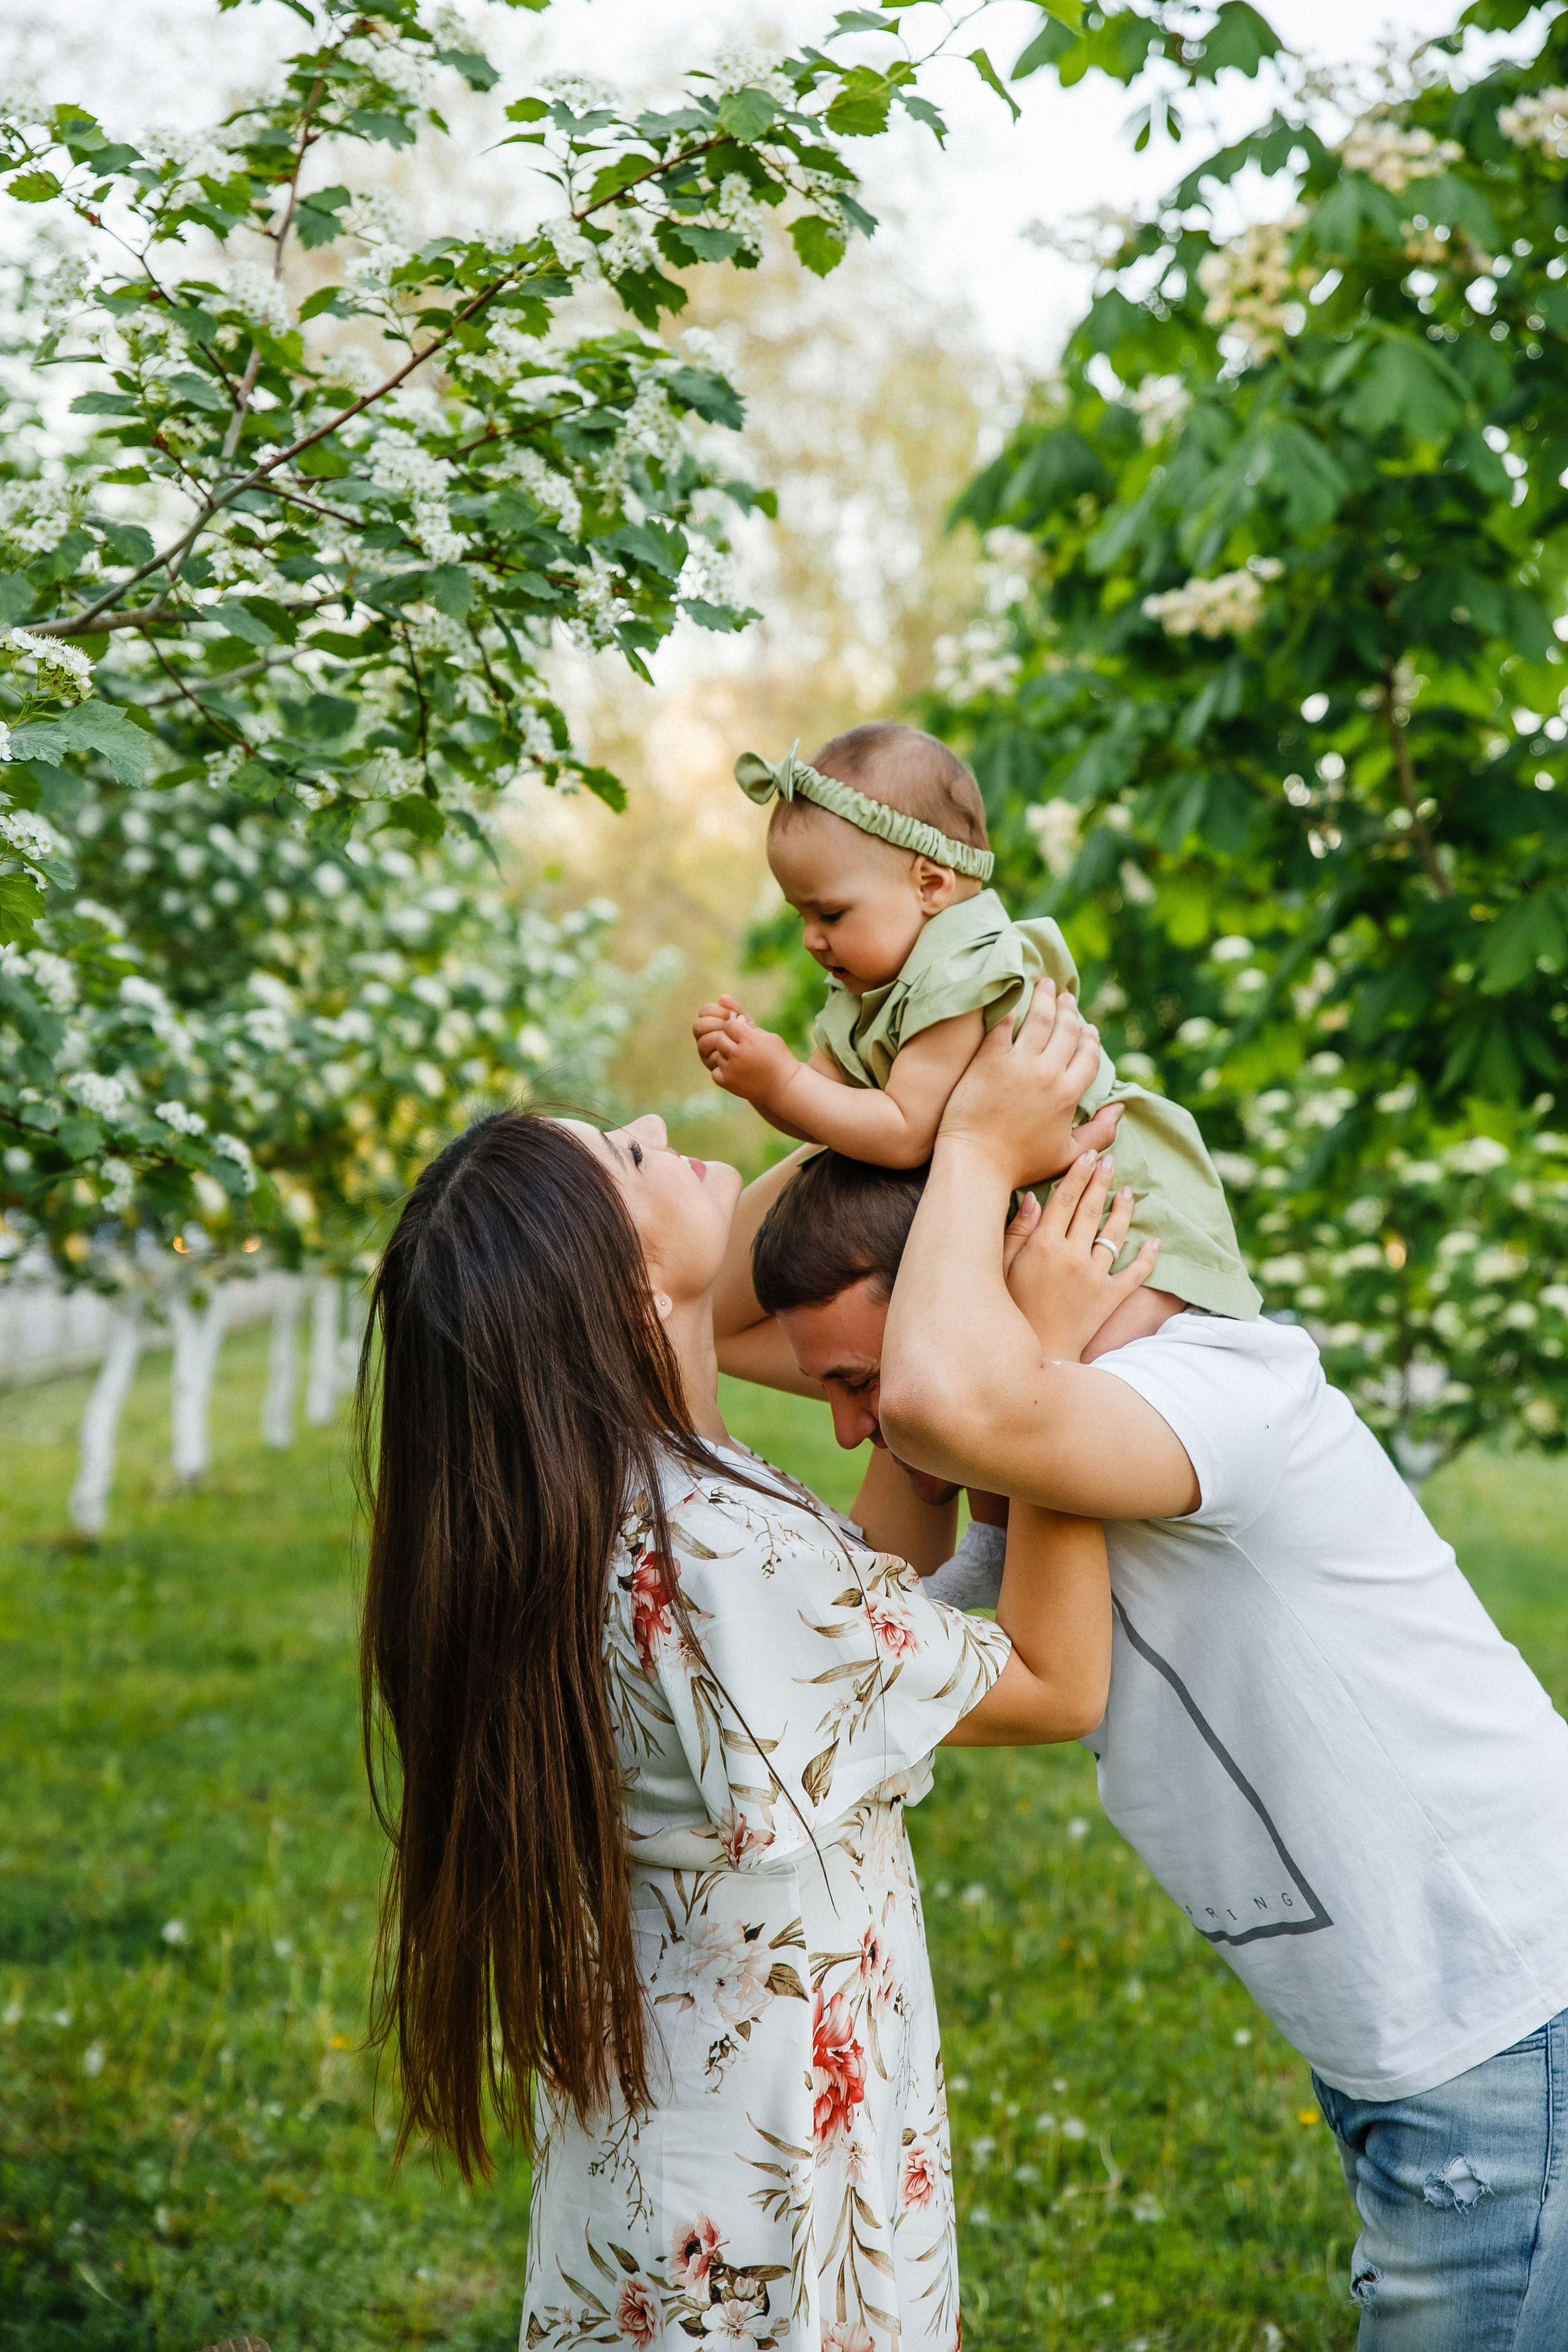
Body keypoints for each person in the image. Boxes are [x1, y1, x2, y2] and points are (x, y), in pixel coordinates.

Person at [717, 983, 1568, 2351]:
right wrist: (900, 1107)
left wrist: (982, 1154)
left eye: (858, 1383)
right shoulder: (1018, 1477)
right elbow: (720, 1310)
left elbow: (944, 1397)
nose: (850, 1428)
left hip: (1503, 2026)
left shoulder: (1218, 1389)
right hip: (1409, 2047)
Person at [355, 1098, 1118, 2352]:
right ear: (613, 1279)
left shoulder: (647, 1492)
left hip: (687, 2122)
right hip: (759, 2163)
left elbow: (840, 1615)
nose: (657, 1120)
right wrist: (1037, 1378)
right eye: (629, 1155)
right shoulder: (707, 1537)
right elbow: (1052, 1681)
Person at [692, 719, 1259, 1319]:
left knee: (1106, 1350)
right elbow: (827, 1117)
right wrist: (757, 1080)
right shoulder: (868, 987)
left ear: (930, 885)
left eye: (830, 913)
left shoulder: (964, 965)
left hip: (1117, 1199)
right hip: (1035, 1214)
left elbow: (902, 1131)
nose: (811, 939)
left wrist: (781, 1080)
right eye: (799, 915)